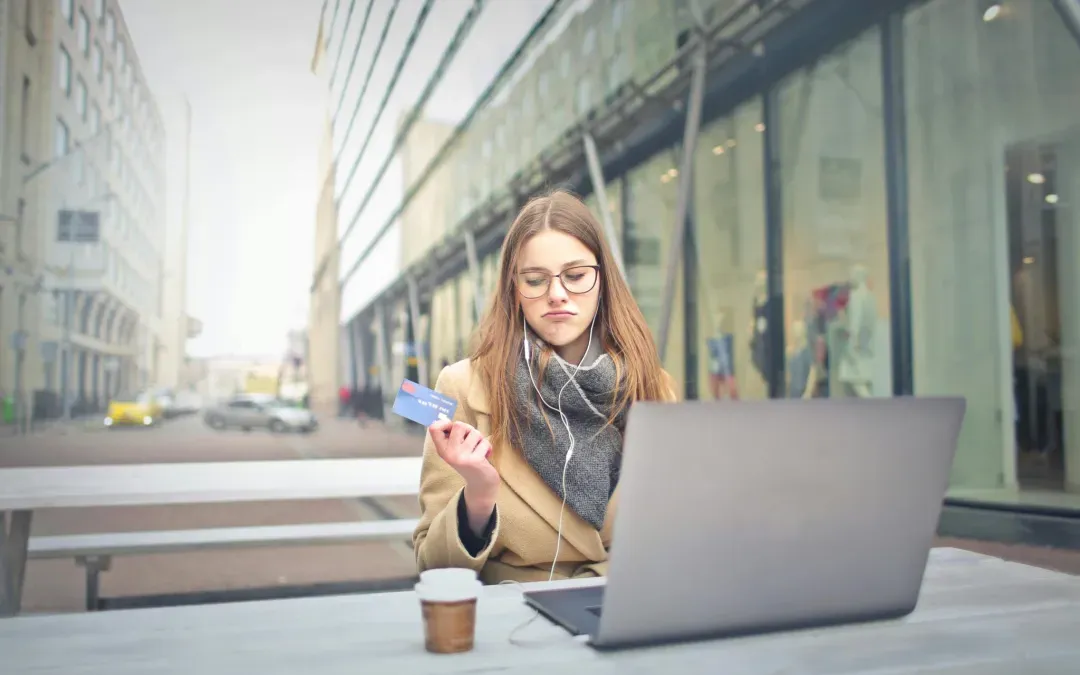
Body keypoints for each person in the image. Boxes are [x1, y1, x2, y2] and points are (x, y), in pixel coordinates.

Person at [413, 189, 677, 584]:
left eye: (575, 276)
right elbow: (432, 564)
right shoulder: (460, 385)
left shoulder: (653, 386)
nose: (557, 294)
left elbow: (675, 526)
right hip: (517, 621)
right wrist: (478, 498)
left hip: (628, 604)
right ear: (513, 291)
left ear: (603, 281)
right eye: (535, 280)